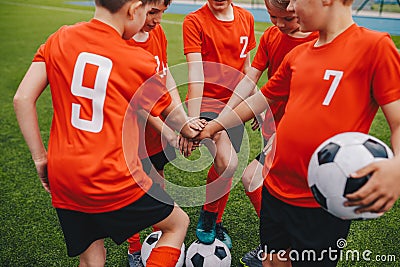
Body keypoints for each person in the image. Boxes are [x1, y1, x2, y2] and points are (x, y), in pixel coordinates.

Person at [195, 0, 400, 265]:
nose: (292, 5)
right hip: (275, 190)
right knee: (272, 261)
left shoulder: (375, 47)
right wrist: (214, 125)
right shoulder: (298, 56)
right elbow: (261, 100)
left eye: (297, 0)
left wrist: (397, 167)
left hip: (322, 200)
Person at [13, 0, 203, 266]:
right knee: (177, 224)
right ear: (134, 8)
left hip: (64, 176)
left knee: (92, 260)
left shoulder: (60, 38)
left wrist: (40, 158)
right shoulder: (137, 60)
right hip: (111, 178)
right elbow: (171, 115)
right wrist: (189, 128)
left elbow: (22, 98)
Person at [216, 0, 318, 265]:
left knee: (261, 181)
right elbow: (251, 80)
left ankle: (286, 247)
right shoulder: (271, 36)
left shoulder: (318, 39)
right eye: (273, 17)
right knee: (256, 181)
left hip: (300, 132)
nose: (280, 25)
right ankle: (277, 246)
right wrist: (224, 117)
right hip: (276, 127)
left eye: (288, 19)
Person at [125, 0, 195, 266]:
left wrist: (183, 120)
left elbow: (165, 79)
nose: (157, 20)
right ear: (134, 7)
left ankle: (157, 238)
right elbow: (133, 100)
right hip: (130, 132)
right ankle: (134, 249)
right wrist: (167, 128)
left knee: (157, 181)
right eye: (153, 13)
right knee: (133, 189)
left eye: (162, 13)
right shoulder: (122, 40)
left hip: (155, 133)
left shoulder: (158, 34)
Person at [182, 0, 256, 250]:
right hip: (207, 106)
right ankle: (207, 217)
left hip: (234, 106)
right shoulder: (194, 20)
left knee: (225, 166)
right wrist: (192, 119)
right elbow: (196, 73)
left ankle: (214, 218)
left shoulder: (246, 18)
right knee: (229, 162)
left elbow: (247, 68)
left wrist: (253, 100)